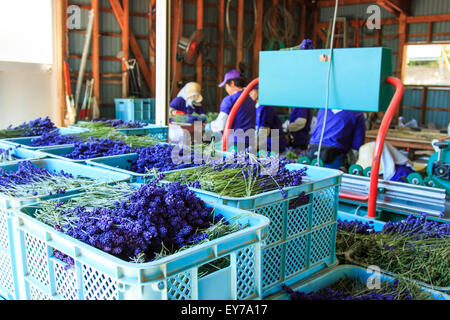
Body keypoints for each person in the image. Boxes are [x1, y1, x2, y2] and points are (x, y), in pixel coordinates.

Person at [207, 69, 256, 151]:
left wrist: (209, 126)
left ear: (232, 83)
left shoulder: (229, 100)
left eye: (226, 86)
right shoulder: (250, 100)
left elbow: (220, 125)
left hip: (233, 144)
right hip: (249, 144)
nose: (226, 89)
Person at [249, 85, 287, 154]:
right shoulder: (257, 107)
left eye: (252, 90)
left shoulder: (266, 106)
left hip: (273, 144)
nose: (250, 93)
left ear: (259, 91)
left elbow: (264, 129)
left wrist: (254, 146)